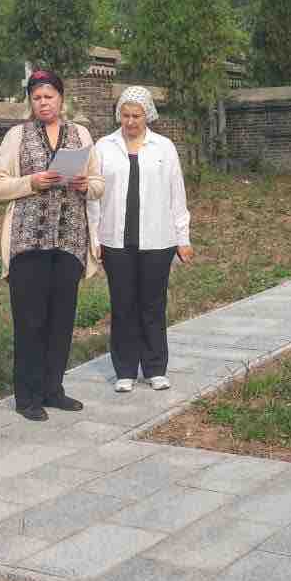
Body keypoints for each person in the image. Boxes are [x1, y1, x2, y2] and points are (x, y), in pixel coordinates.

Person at [0, 69, 104, 421]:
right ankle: (27, 397)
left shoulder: (80, 134)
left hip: (69, 241)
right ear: (30, 101)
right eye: (36, 97)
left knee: (61, 321)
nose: (43, 103)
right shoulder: (17, 136)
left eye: (49, 96)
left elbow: (99, 183)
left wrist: (85, 185)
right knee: (30, 322)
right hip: (28, 243)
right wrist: (32, 182)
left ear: (61, 98)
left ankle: (53, 389)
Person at [89, 86, 192, 393]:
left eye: (136, 116)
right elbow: (93, 197)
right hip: (115, 241)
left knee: (153, 305)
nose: (130, 121)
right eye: (125, 115)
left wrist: (183, 237)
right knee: (123, 305)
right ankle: (124, 370)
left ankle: (155, 368)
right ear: (118, 115)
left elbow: (177, 195)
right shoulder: (104, 147)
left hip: (158, 240)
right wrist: (94, 237)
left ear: (148, 116)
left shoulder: (164, 148)